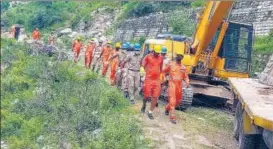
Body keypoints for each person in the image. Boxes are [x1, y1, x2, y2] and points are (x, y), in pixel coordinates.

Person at [162, 53, 190, 124]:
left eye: (180, 56)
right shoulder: (171, 65)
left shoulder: (183, 67)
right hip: (172, 84)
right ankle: (173, 117)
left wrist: (187, 82)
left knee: (177, 102)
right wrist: (164, 77)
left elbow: (186, 76)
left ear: (182, 58)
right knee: (173, 100)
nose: (179, 57)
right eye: (178, 56)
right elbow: (163, 71)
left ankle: (167, 108)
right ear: (176, 57)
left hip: (179, 86)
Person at [141, 45, 163, 119]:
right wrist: (142, 70)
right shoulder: (148, 57)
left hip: (156, 80)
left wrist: (161, 76)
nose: (158, 54)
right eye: (156, 52)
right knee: (146, 95)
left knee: (155, 96)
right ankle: (144, 105)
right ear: (153, 51)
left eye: (159, 53)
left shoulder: (161, 58)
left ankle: (150, 112)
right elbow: (143, 64)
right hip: (149, 79)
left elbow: (161, 68)